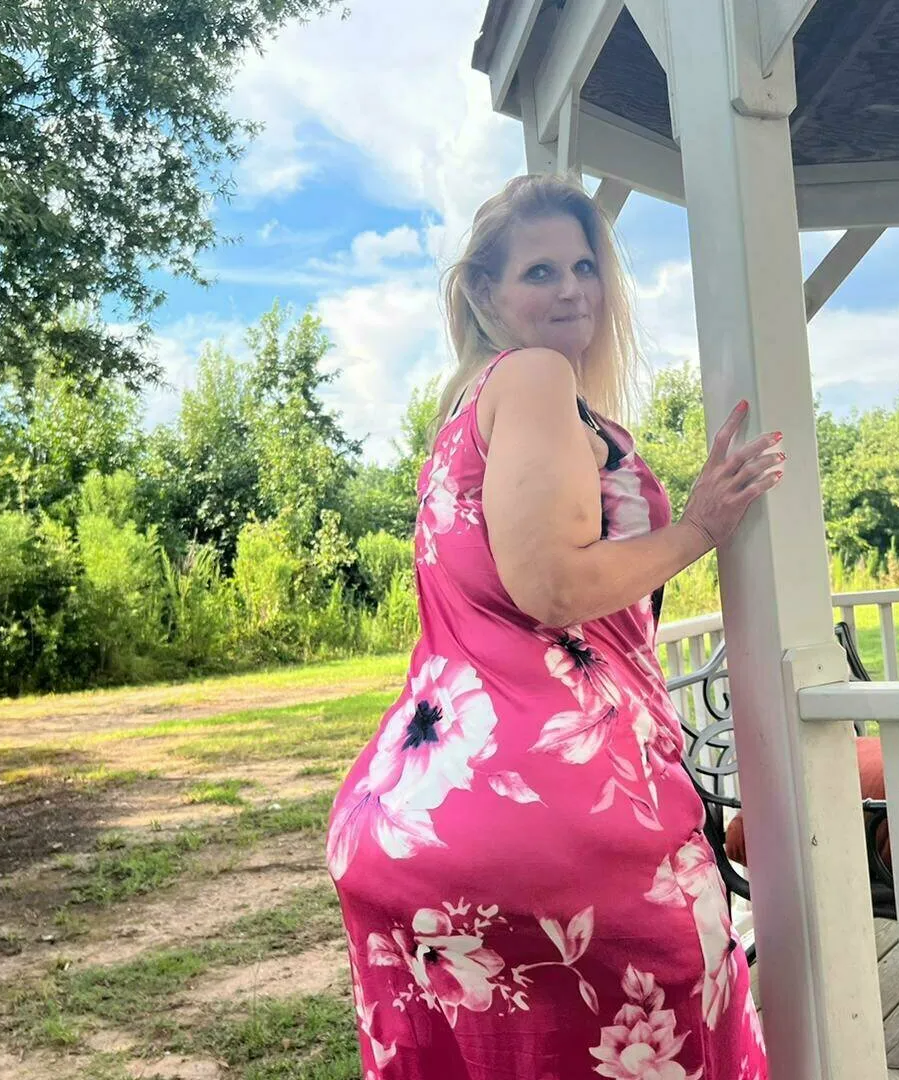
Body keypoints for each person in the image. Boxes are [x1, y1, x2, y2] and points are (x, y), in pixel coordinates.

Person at [326, 173, 782, 1079]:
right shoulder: (535, 377)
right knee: (678, 1027)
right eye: (540, 271)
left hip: (417, 823)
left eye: (584, 266)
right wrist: (699, 529)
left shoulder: (464, 414)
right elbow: (551, 585)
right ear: (485, 293)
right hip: (556, 823)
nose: (573, 289)